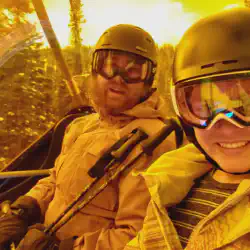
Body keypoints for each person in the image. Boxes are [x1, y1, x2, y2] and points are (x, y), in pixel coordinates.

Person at [0, 24, 181, 250]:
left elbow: (138, 236)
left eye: (133, 71)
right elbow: (55, 180)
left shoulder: (152, 142)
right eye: (109, 66)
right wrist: (25, 208)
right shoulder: (82, 126)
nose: (118, 78)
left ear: (148, 81)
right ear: (95, 69)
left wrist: (66, 248)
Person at [124, 7, 250, 250]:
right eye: (204, 106)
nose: (226, 125)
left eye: (246, 104)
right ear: (183, 112)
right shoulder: (173, 180)